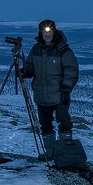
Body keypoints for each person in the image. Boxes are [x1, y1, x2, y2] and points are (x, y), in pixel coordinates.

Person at [22, 19, 79, 160]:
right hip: (41, 95)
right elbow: (30, 67)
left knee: (64, 122)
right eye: (44, 32)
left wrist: (66, 89)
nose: (47, 34)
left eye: (49, 32)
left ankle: (65, 153)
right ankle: (51, 152)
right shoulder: (36, 49)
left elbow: (71, 71)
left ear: (54, 32)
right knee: (45, 124)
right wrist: (24, 72)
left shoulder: (63, 50)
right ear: (41, 33)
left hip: (59, 95)